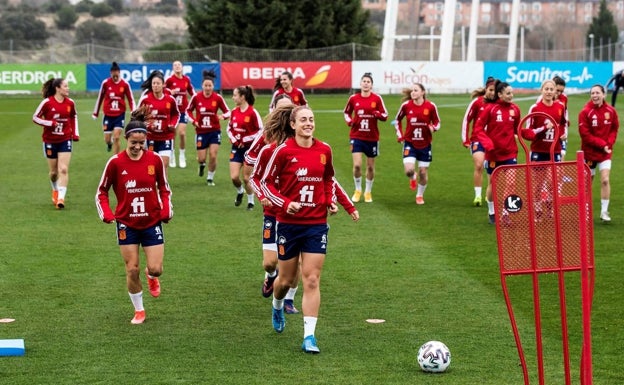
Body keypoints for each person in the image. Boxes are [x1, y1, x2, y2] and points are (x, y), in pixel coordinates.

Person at [258, 105, 359, 354]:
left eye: (311, 119)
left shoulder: (324, 150)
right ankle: (277, 304)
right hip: (289, 225)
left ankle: (309, 336)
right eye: (303, 120)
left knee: (311, 279)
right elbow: (265, 183)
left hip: (316, 225)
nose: (308, 123)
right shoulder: (282, 152)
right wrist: (284, 203)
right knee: (285, 280)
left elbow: (327, 179)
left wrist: (329, 201)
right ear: (293, 124)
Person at [95, 105, 173, 325]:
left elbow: (164, 188)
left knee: (156, 269)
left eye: (142, 143)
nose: (138, 147)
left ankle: (151, 277)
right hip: (126, 224)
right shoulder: (115, 162)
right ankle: (139, 310)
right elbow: (101, 191)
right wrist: (107, 213)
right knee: (131, 269)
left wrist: (167, 208)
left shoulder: (155, 160)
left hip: (151, 222)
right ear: (126, 140)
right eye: (133, 143)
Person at [473, 80, 521, 224]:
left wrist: (536, 132)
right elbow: (478, 129)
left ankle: (505, 213)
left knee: (511, 184)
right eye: (508, 93)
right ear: (499, 94)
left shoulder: (515, 109)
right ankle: (492, 211)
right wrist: (488, 144)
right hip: (493, 154)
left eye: (512, 93)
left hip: (510, 153)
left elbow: (518, 130)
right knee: (492, 185)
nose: (511, 95)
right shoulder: (490, 109)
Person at [32, 77, 79, 209]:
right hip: (50, 140)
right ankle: (55, 189)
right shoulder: (47, 103)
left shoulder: (70, 103)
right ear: (57, 88)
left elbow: (74, 117)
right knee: (53, 173)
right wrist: (49, 123)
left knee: (63, 169)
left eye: (68, 86)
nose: (68, 88)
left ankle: (61, 199)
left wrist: (75, 133)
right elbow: (35, 117)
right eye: (65, 86)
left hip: (65, 139)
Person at [343, 72, 389, 203]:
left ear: (372, 85)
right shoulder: (353, 98)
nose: (366, 83)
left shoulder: (377, 99)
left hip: (372, 137)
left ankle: (368, 191)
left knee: (370, 166)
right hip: (356, 136)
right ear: (360, 83)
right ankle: (358, 190)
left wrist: (377, 114)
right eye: (364, 81)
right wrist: (350, 121)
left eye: (368, 82)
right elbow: (346, 112)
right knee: (357, 165)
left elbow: (385, 115)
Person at [393, 83, 441, 205]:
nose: (413, 92)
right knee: (409, 170)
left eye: (416, 90)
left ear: (422, 92)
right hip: (410, 143)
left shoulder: (430, 106)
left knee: (423, 173)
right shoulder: (406, 106)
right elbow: (397, 120)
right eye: (412, 90)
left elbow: (437, 122)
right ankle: (412, 177)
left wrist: (433, 128)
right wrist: (400, 135)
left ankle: (419, 195)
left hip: (425, 144)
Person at [578, 84, 620, 222]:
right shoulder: (585, 112)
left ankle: (604, 211)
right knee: (587, 183)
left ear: (604, 94)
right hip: (590, 153)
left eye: (597, 93)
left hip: (605, 153)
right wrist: (603, 145)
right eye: (592, 93)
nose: (594, 95)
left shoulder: (611, 111)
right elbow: (585, 135)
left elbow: (614, 128)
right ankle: (585, 210)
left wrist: (609, 144)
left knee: (605, 180)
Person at [186, 70, 231, 184]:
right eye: (205, 85)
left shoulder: (218, 98)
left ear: (213, 86)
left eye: (209, 85)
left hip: (214, 131)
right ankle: (201, 165)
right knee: (201, 158)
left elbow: (228, 111)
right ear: (202, 86)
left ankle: (210, 178)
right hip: (201, 132)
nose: (207, 88)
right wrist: (193, 120)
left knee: (213, 155)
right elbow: (188, 111)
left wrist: (223, 116)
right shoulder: (196, 97)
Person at [461, 76, 496, 206]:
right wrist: (465, 139)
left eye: (494, 90)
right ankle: (477, 196)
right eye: (490, 90)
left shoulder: (498, 104)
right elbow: (466, 120)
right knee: (479, 165)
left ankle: (489, 195)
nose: (492, 93)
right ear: (486, 89)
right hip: (477, 139)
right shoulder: (477, 102)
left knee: (491, 170)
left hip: (493, 141)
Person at [227, 85, 263, 209]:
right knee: (234, 177)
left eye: (235, 95)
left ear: (243, 97)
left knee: (247, 178)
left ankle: (251, 201)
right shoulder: (234, 112)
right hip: (236, 148)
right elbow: (229, 128)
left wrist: (245, 139)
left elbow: (260, 131)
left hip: (250, 150)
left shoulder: (253, 112)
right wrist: (235, 139)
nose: (233, 98)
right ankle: (239, 191)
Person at [137, 70, 180, 171]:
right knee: (151, 167)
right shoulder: (145, 99)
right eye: (153, 83)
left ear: (163, 85)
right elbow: (137, 116)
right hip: (150, 137)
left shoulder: (170, 100)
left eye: (158, 83)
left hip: (166, 137)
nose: (155, 85)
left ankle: (162, 186)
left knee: (163, 165)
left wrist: (172, 124)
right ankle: (153, 186)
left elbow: (176, 114)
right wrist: (144, 125)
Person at [92, 61, 135, 154]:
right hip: (108, 115)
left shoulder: (125, 84)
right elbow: (100, 98)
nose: (115, 77)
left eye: (117, 75)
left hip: (119, 115)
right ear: (110, 73)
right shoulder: (106, 83)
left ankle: (116, 159)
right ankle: (109, 144)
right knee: (107, 139)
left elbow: (130, 99)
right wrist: (96, 113)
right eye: (113, 75)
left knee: (116, 137)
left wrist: (133, 111)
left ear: (119, 73)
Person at [165, 61, 195, 168]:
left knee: (182, 133)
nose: (177, 67)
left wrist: (196, 100)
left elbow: (192, 92)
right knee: (172, 134)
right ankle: (172, 154)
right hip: (172, 111)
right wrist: (170, 92)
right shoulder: (169, 79)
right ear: (173, 68)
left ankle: (182, 155)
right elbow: (163, 91)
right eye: (175, 65)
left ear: (182, 67)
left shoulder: (186, 79)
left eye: (179, 65)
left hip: (183, 111)